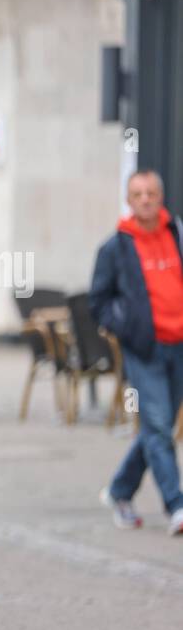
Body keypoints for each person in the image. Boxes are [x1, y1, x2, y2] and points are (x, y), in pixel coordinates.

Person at [90, 169, 183, 536]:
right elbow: (98, 301)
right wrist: (128, 326)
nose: (146, 199)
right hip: (145, 349)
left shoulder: (176, 235)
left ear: (160, 197)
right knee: (159, 427)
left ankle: (119, 491)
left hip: (179, 346)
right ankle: (176, 505)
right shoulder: (115, 247)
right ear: (129, 201)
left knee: (158, 428)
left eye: (152, 193)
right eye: (138, 194)